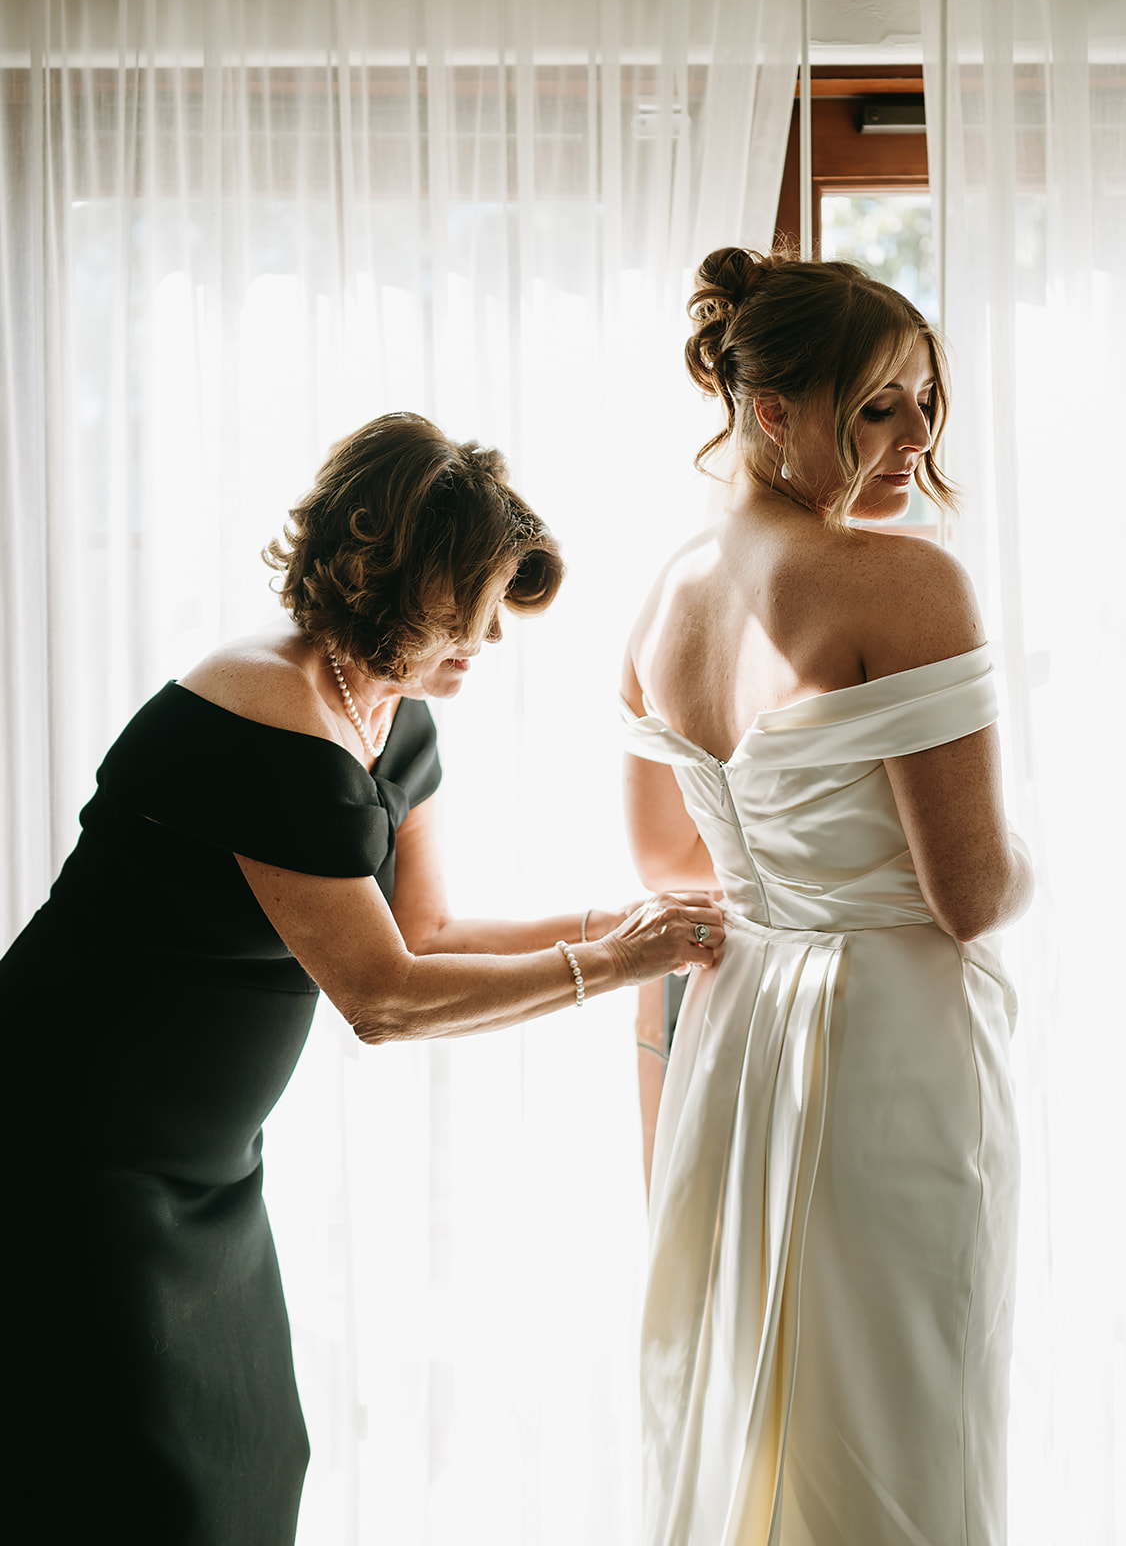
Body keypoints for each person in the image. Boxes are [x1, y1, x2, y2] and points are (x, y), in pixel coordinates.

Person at [0, 410, 724, 1545]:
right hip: (70, 1150)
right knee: (130, 1488)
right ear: (384, 578)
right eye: (464, 609)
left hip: (206, 1173)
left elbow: (426, 929)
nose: (485, 640)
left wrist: (619, 917)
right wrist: (612, 961)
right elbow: (382, 998)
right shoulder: (261, 715)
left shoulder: (393, 711)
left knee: (251, 1459)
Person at [621, 250, 1033, 1545]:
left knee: (756, 1396)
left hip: (737, 1035)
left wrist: (780, 894)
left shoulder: (665, 595)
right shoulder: (901, 583)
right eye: (876, 407)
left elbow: (661, 865)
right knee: (905, 1393)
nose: (916, 435)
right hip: (885, 1046)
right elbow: (965, 894)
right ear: (770, 409)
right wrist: (1044, 856)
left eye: (924, 400)